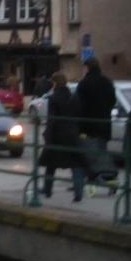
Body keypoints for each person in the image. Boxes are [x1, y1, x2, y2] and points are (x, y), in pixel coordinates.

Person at [39, 72, 86, 201]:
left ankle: (47, 189)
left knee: (51, 164)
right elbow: (79, 115)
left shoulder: (53, 98)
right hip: (72, 134)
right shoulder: (73, 97)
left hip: (57, 134)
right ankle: (78, 193)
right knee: (76, 163)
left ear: (55, 83)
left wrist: (47, 135)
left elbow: (52, 119)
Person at [77, 58, 117, 189]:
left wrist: (79, 126)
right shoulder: (107, 82)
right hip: (104, 124)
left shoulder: (84, 83)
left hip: (88, 126)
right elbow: (113, 101)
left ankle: (91, 181)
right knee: (102, 155)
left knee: (88, 156)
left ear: (87, 68)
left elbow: (79, 106)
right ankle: (110, 179)